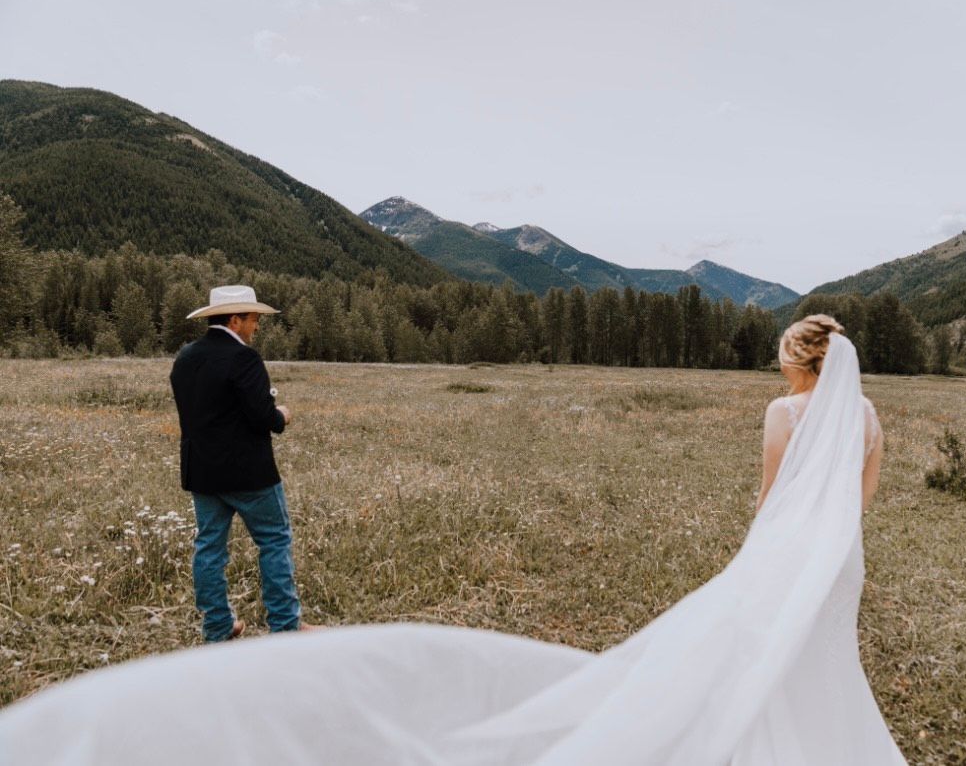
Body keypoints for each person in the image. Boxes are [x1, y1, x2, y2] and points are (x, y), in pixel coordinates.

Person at [0, 315, 905, 764]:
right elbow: (858, 499)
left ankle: (233, 623)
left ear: (798, 362)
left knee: (218, 550)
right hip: (839, 557)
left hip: (204, 477)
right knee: (823, 647)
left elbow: (765, 498)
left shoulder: (783, 413)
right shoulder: (863, 416)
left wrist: (762, 551)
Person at [168, 285, 312, 641]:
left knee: (209, 547)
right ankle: (286, 625)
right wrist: (282, 414)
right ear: (235, 320)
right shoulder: (244, 358)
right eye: (253, 319)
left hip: (202, 472)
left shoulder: (185, 357)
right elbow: (264, 418)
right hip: (250, 474)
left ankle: (217, 627)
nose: (257, 326)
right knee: (275, 541)